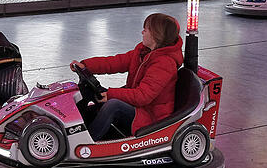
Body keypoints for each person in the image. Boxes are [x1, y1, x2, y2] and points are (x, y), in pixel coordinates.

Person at [71, 13, 183, 141]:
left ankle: (87, 144)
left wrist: (111, 94)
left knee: (113, 105)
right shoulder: (143, 51)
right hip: (139, 108)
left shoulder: (164, 63)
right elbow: (115, 62)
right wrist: (86, 65)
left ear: (155, 35)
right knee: (94, 100)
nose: (142, 32)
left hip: (151, 116)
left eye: (146, 30)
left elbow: (142, 96)